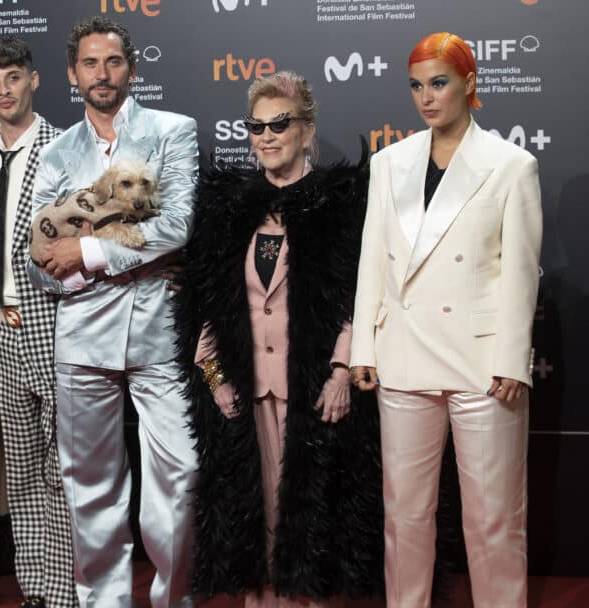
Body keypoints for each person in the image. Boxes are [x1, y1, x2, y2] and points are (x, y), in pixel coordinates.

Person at [174, 71, 384, 608]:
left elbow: (356, 294)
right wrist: (217, 380)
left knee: (310, 508)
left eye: (279, 124)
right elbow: (208, 309)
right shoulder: (229, 209)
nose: (266, 136)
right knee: (255, 507)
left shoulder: (338, 206)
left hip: (312, 389)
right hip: (247, 391)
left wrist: (341, 370)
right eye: (256, 126)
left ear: (307, 131)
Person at [350, 32, 542, 607]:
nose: (426, 98)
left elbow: (521, 271)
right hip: (404, 355)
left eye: (439, 83)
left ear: (469, 84)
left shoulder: (512, 166)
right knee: (404, 519)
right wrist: (365, 344)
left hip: (484, 364)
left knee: (493, 521)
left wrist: (512, 356)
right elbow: (373, 263)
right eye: (416, 86)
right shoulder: (389, 163)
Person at [26, 16, 199, 608]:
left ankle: (173, 599)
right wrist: (108, 256)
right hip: (81, 334)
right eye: (91, 64)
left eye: (114, 62)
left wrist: (87, 249)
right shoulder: (55, 154)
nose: (103, 74)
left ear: (131, 67)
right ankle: (103, 601)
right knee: (90, 486)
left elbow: (176, 226)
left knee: (180, 477)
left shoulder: (174, 130)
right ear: (73, 74)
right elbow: (37, 257)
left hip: (160, 330)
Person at [0, 37, 77, 608]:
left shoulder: (63, 147)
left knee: (66, 459)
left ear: (34, 80)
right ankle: (40, 586)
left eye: (13, 77)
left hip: (50, 314)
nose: (4, 90)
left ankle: (72, 586)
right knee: (23, 462)